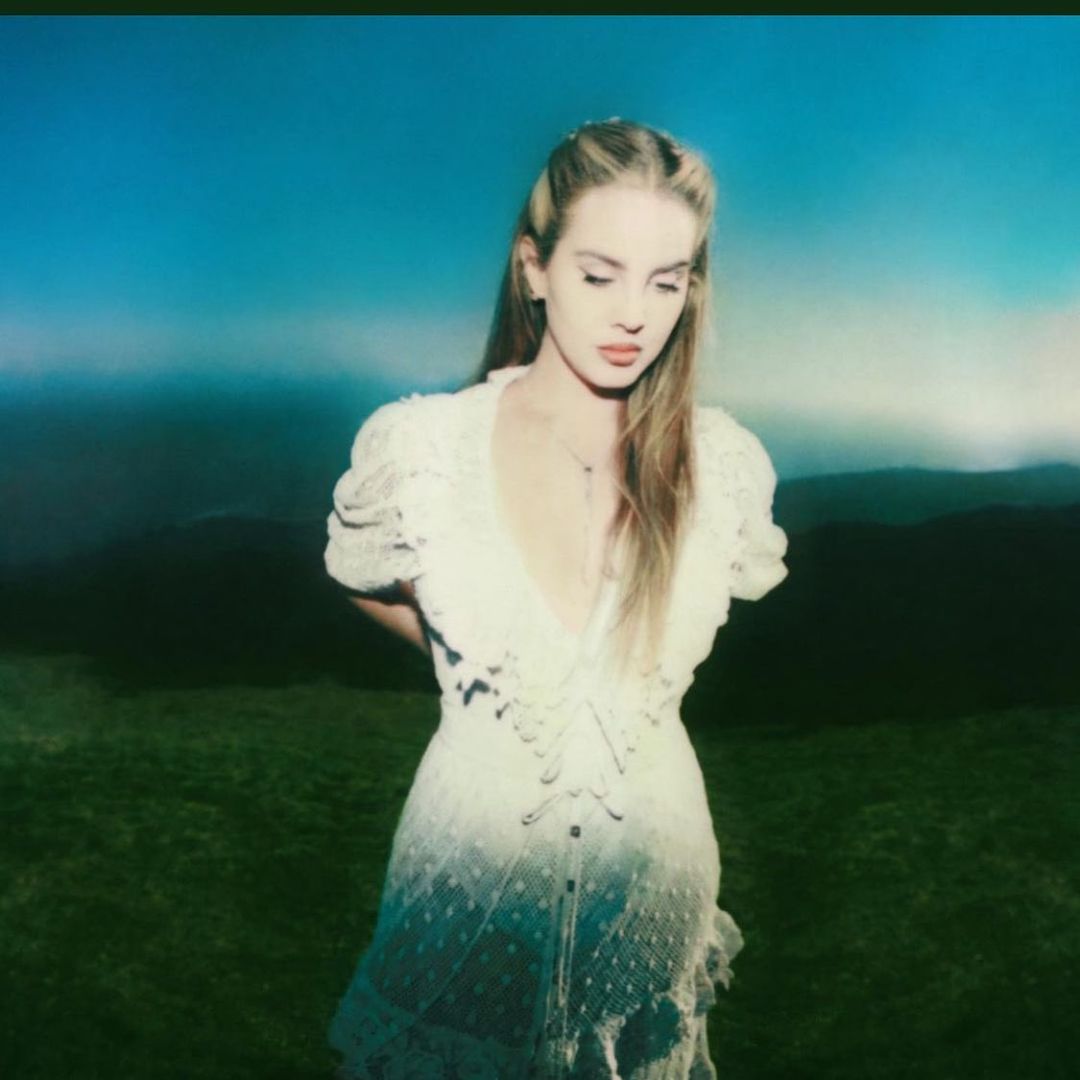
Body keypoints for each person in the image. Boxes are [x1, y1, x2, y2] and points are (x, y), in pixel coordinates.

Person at [323, 117, 788, 1079]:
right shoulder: (423, 450)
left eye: (666, 281)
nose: (635, 315)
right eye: (600, 274)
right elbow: (357, 571)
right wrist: (468, 657)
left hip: (651, 899)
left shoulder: (725, 468)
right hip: (463, 891)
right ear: (533, 269)